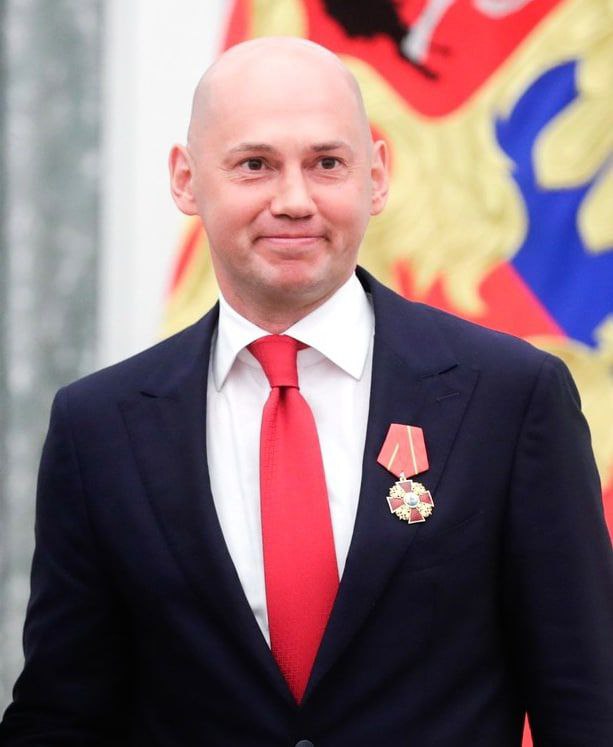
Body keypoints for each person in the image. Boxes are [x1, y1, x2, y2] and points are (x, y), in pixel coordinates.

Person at [1, 37, 612, 747]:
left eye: (326, 163)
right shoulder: (99, 428)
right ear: (186, 180)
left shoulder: (509, 398)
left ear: (376, 177)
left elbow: (586, 704)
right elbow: (63, 714)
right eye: (254, 164)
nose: (293, 201)